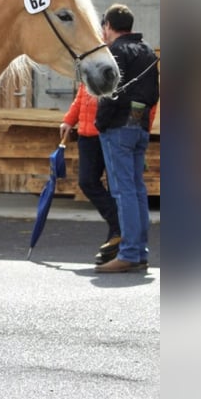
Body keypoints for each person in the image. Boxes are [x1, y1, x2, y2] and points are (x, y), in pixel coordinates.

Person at [94, 3, 159, 273]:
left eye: (104, 27)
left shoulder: (115, 51)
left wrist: (101, 122)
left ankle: (130, 253)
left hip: (117, 128)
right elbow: (154, 92)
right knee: (137, 190)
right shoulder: (146, 51)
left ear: (108, 26)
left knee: (123, 192)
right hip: (139, 126)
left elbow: (109, 91)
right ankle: (139, 250)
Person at [60, 83, 121, 265]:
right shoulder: (91, 62)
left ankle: (113, 246)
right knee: (87, 182)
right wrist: (69, 120)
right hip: (87, 135)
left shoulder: (113, 61)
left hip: (108, 132)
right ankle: (119, 225)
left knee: (114, 188)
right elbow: (81, 96)